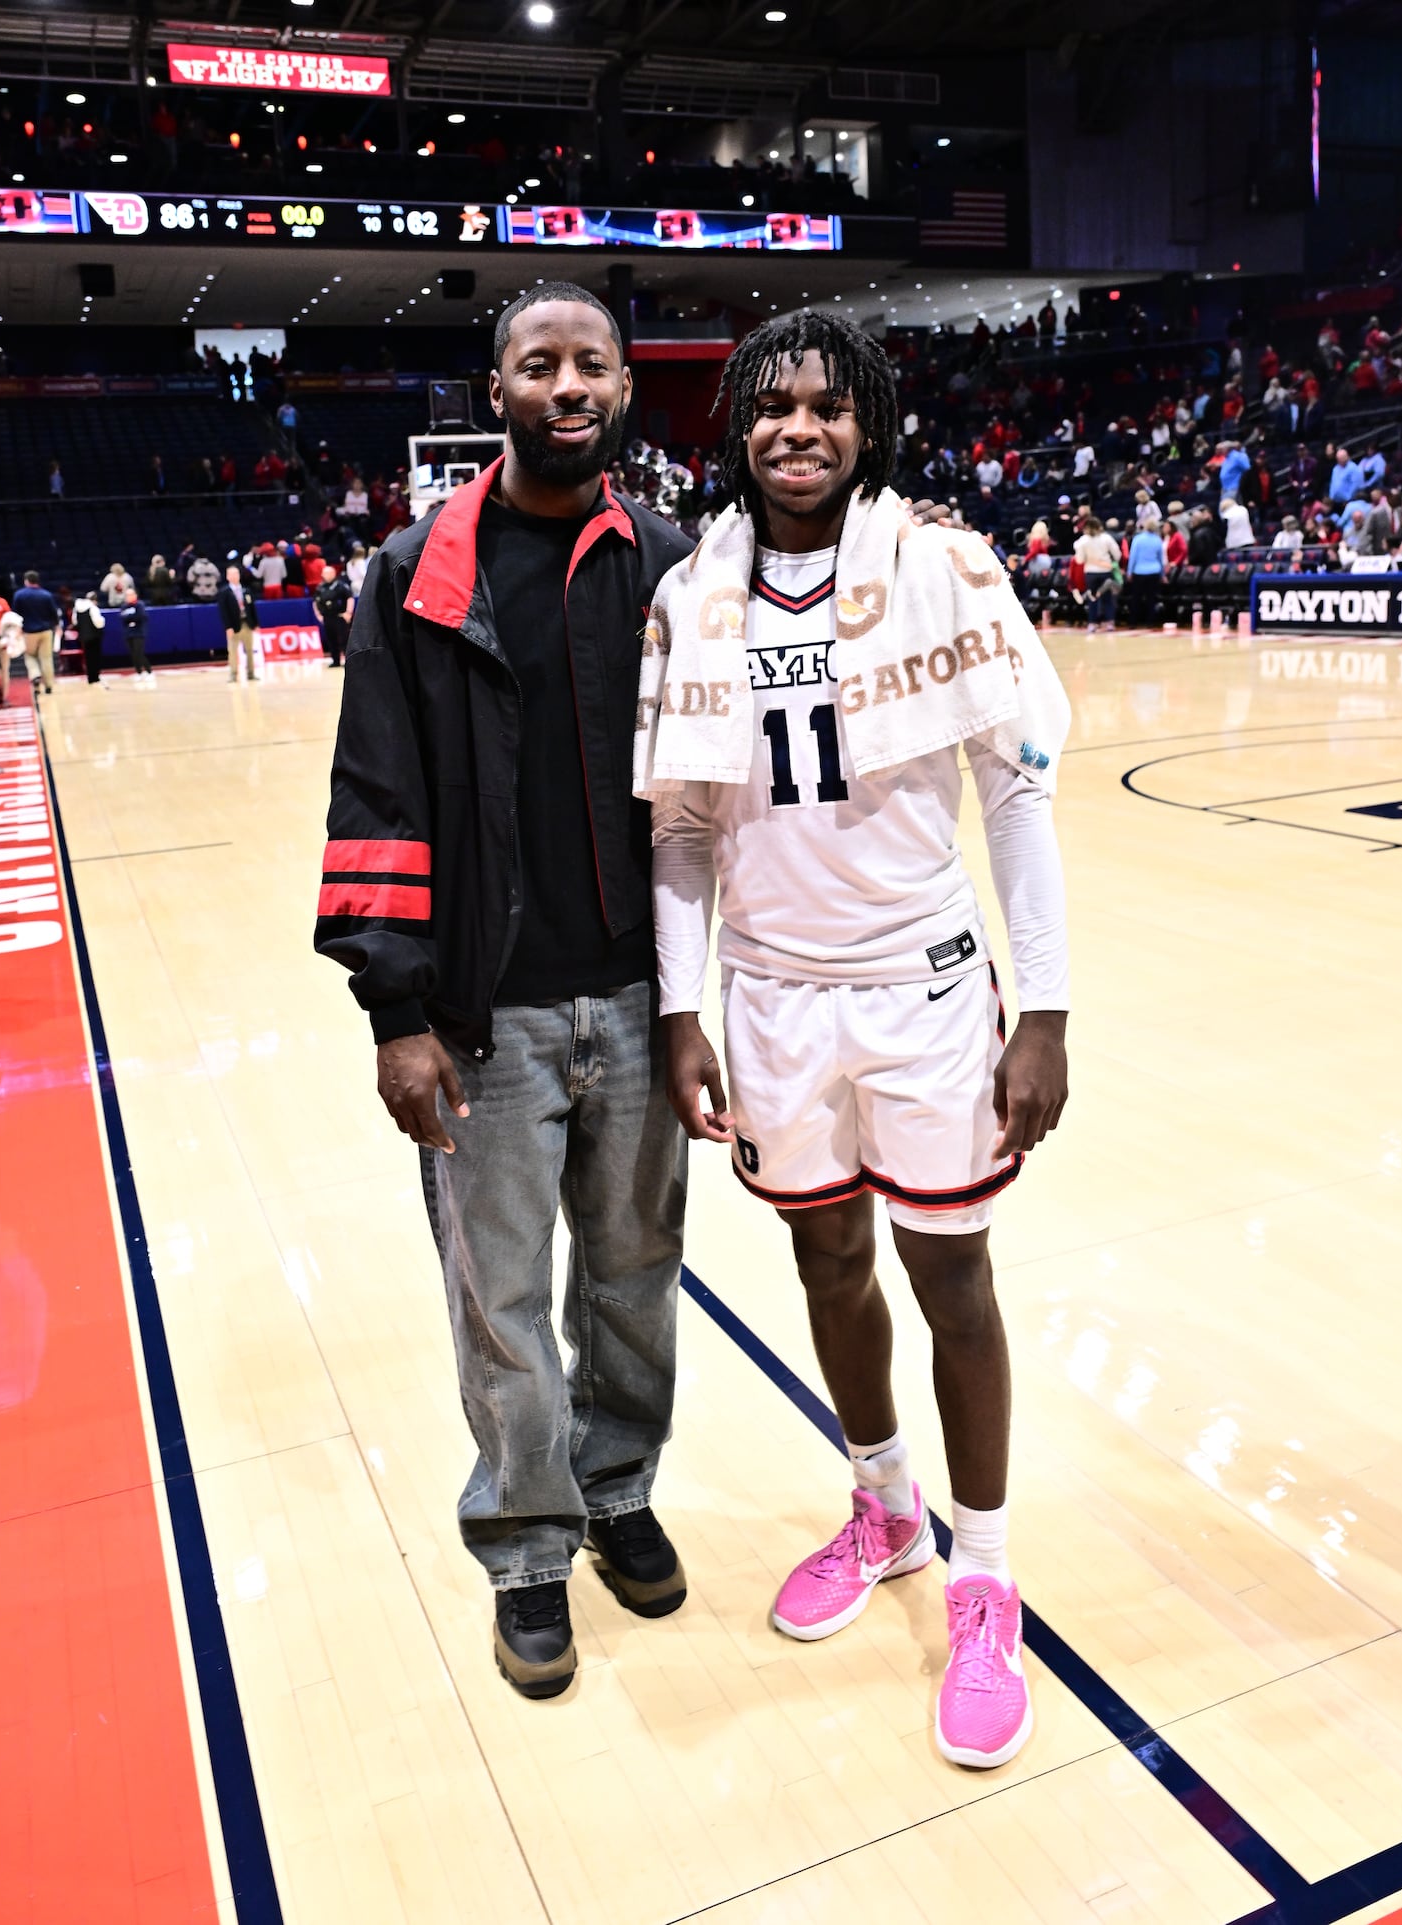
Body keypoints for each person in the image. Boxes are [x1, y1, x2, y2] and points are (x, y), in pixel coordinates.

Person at [641, 311, 1070, 1770]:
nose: (799, 429)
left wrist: (1049, 1005)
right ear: (737, 428)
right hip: (768, 993)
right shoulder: (696, 587)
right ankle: (883, 1504)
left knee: (952, 1270)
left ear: (868, 424)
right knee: (824, 1257)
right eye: (772, 407)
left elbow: (1014, 791)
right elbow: (684, 827)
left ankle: (987, 1572)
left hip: (925, 986)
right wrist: (680, 1002)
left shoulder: (943, 563)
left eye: (828, 405)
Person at [313, 281, 695, 1703]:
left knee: (638, 1281)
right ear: (498, 393)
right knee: (504, 1303)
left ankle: (618, 1486)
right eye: (540, 363)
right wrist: (395, 1014)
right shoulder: (417, 574)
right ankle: (530, 1547)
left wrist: (722, 999)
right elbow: (376, 792)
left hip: (647, 1008)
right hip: (487, 1022)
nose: (569, 383)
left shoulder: (669, 564)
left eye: (592, 361)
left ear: (622, 388)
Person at [11, 569, 61, 694]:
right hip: (46, 631)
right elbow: (54, 614)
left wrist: (17, 630)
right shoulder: (46, 595)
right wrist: (57, 627)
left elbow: (15, 615)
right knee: (46, 658)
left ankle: (35, 676)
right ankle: (49, 685)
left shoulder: (19, 595)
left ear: (26, 581)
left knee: (30, 656)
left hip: (28, 632)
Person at [1074, 514, 1121, 630]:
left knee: (1092, 598)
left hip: (1090, 573)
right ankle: (1110, 622)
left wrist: (1089, 559)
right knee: (1108, 598)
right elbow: (1117, 554)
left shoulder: (1082, 541)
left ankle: (1092, 624)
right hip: (1106, 571)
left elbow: (1079, 560)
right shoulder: (1106, 538)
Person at [218, 564, 258, 682]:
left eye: (236, 573)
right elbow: (223, 611)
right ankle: (233, 675)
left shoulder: (246, 590)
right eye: (232, 574)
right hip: (234, 625)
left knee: (250, 650)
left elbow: (252, 608)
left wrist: (256, 623)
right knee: (233, 651)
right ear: (227, 577)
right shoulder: (224, 592)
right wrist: (228, 627)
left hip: (247, 623)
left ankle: (251, 673)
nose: (235, 576)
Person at [1125, 520, 1165, 627]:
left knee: (1136, 598)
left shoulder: (1137, 539)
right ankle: (1150, 622)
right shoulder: (1158, 540)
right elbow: (1160, 559)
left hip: (1139, 572)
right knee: (1151, 598)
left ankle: (1133, 622)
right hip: (1154, 571)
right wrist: (1163, 575)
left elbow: (1132, 557)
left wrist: (1129, 572)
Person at [313, 562, 353, 667]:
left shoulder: (341, 586)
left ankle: (348, 660)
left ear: (334, 574)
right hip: (327, 617)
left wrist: (348, 612)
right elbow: (315, 602)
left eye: (329, 573)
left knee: (344, 639)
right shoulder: (320, 587)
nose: (327, 575)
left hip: (340, 616)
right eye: (325, 573)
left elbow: (350, 598)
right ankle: (335, 661)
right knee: (331, 640)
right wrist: (318, 616)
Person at [72, 588, 107, 685]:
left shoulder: (77, 609)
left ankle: (90, 677)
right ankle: (96, 676)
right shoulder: (93, 608)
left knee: (88, 657)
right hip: (95, 636)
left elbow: (75, 622)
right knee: (95, 656)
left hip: (83, 636)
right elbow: (98, 623)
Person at [122, 587, 155, 685]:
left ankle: (149, 671)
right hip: (129, 633)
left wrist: (131, 619)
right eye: (127, 595)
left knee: (139, 653)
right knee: (133, 654)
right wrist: (130, 619)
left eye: (131, 594)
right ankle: (139, 672)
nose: (129, 597)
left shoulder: (140, 605)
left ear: (135, 595)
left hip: (139, 632)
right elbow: (122, 618)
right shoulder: (124, 606)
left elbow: (141, 617)